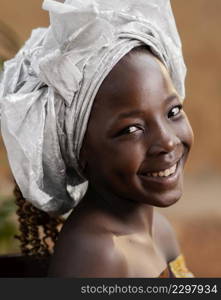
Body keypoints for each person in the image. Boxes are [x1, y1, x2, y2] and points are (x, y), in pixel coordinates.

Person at [0, 0, 194, 277]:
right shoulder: (95, 254)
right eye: (131, 129)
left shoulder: (157, 228)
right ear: (80, 151)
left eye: (172, 111)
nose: (167, 141)